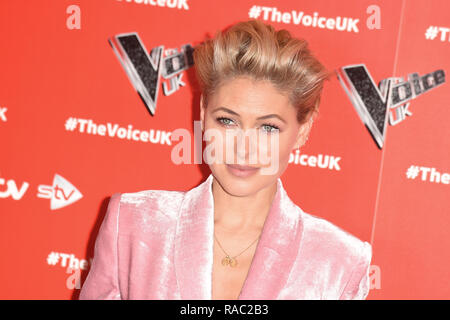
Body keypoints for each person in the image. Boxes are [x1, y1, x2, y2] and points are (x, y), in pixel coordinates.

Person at [79, 20, 372, 300]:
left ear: (302, 131)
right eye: (227, 121)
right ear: (203, 113)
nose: (243, 149)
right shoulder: (132, 224)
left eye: (268, 127)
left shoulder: (340, 262)